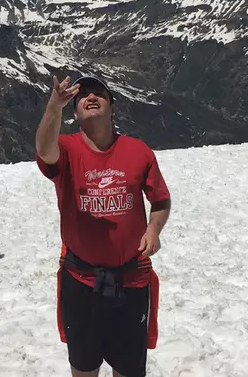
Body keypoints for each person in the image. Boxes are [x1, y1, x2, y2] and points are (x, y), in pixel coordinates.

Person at [35, 74, 172, 377]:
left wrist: (153, 230)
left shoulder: (138, 152)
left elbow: (161, 200)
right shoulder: (65, 149)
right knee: (84, 368)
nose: (91, 96)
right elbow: (44, 150)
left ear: (112, 106)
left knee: (129, 369)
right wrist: (53, 107)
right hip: (80, 280)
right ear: (75, 112)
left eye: (99, 92)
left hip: (132, 279)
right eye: (82, 95)